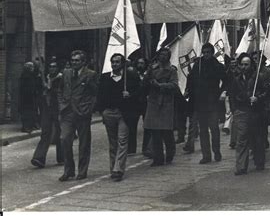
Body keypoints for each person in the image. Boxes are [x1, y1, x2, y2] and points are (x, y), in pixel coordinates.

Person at [96, 53, 140, 181]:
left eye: (117, 62)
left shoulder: (130, 77)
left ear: (122, 64)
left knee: (122, 141)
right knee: (112, 142)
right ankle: (112, 168)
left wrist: (129, 94)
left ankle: (118, 169)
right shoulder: (105, 77)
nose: (115, 64)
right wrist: (102, 110)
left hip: (124, 113)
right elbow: (100, 94)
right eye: (113, 62)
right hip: (109, 112)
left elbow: (139, 91)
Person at [57, 50, 98, 181]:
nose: (74, 62)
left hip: (82, 112)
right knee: (64, 139)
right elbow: (60, 89)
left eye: (77, 60)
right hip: (67, 111)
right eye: (73, 60)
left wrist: (89, 109)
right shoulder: (66, 72)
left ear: (83, 62)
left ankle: (82, 170)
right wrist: (61, 103)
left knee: (84, 143)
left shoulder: (90, 74)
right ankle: (69, 170)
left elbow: (95, 94)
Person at [229, 54, 270, 175]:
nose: (244, 67)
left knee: (257, 139)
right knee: (241, 140)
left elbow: (266, 92)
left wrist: (258, 98)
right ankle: (241, 167)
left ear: (251, 65)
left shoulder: (259, 78)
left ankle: (259, 162)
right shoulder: (236, 80)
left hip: (256, 112)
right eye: (242, 64)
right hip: (242, 112)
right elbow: (232, 96)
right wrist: (235, 110)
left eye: (246, 64)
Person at [186, 43, 226, 164]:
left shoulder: (217, 66)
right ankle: (206, 155)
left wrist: (222, 92)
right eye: (204, 52)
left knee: (214, 128)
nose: (206, 55)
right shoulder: (198, 65)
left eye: (208, 52)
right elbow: (191, 80)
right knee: (203, 130)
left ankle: (216, 151)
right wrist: (189, 91)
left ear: (212, 53)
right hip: (200, 102)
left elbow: (226, 80)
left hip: (213, 101)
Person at [143, 47, 179, 166]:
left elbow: (174, 85)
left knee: (166, 132)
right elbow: (145, 83)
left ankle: (170, 153)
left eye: (165, 55)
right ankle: (157, 158)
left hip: (165, 103)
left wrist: (160, 85)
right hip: (153, 102)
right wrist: (148, 76)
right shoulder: (153, 68)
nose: (163, 57)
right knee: (155, 132)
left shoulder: (172, 70)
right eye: (161, 54)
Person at [31, 60, 64, 168]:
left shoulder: (61, 79)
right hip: (46, 108)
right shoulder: (46, 78)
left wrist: (47, 86)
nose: (52, 68)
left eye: (54, 67)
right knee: (45, 132)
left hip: (58, 108)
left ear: (58, 68)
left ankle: (62, 157)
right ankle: (39, 157)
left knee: (60, 133)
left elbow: (58, 92)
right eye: (50, 66)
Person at [18, 62, 41, 134]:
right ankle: (25, 127)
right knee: (26, 113)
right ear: (28, 68)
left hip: (30, 98)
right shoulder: (25, 76)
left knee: (30, 112)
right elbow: (25, 88)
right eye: (32, 67)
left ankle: (29, 126)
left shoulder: (31, 76)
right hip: (26, 98)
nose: (33, 69)